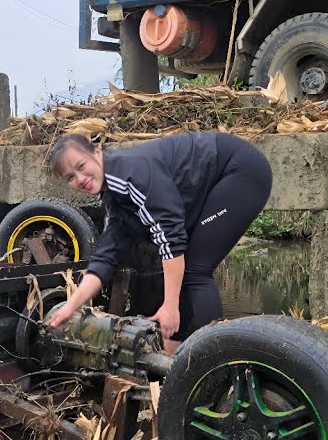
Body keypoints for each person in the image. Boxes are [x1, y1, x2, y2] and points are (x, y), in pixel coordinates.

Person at [45, 132, 272, 349]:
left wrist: (170, 306)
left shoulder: (131, 174)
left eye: (81, 166)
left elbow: (170, 237)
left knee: (195, 270)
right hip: (219, 180)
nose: (80, 179)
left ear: (96, 152)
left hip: (241, 172)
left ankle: (215, 362)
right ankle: (173, 360)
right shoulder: (114, 199)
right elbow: (105, 259)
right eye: (70, 178)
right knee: (180, 273)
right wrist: (70, 309)